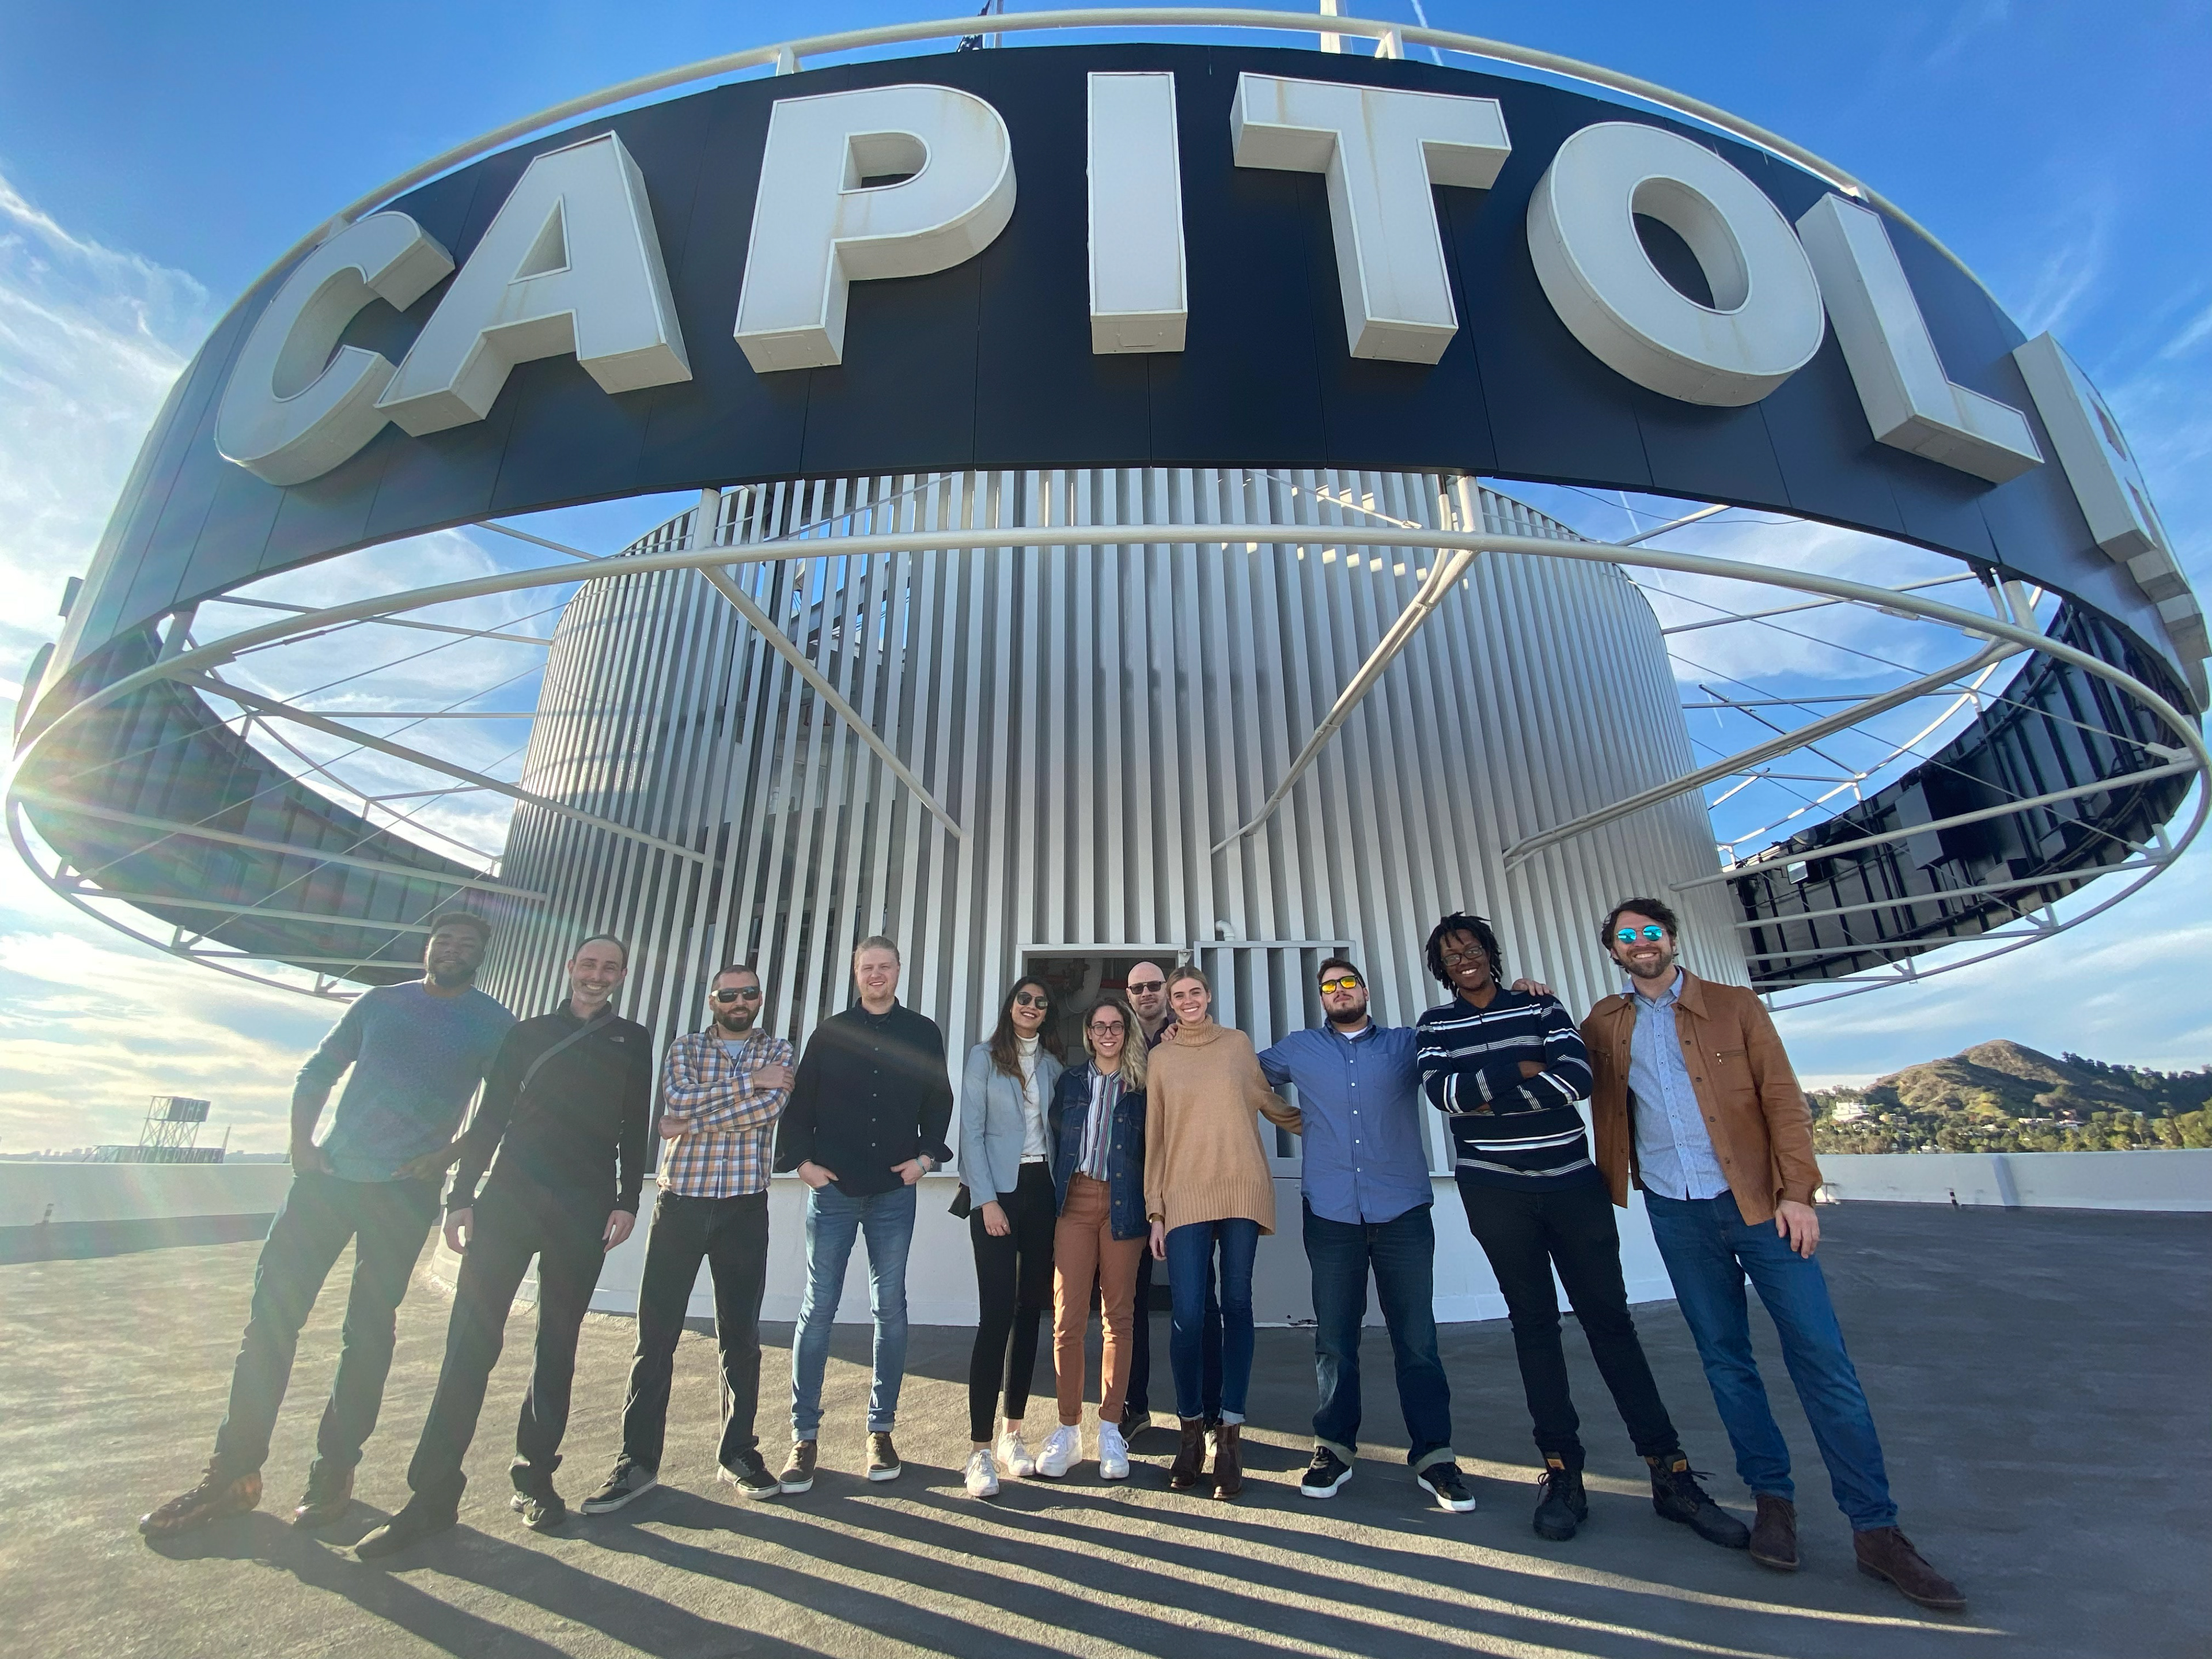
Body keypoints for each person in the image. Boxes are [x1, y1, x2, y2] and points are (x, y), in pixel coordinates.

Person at [1585, 898, 1965, 1612]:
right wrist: (1531, 995)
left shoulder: (1736, 1007)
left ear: (1672, 938)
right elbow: (1560, 1061)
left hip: (1761, 1206)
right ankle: (1773, 1503)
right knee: (1727, 1363)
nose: (1641, 943)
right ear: (1613, 950)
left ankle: (1876, 1529)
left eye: (1651, 932)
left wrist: (1799, 1192)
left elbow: (1784, 1101)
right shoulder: (1606, 1022)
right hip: (1677, 1208)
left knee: (1822, 1360)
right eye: (1626, 936)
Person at [140, 913, 513, 1538]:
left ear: (481, 957)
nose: (453, 951)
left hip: (404, 1194)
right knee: (270, 1323)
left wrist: (446, 1157)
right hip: (326, 1184)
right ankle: (232, 1474)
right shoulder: (379, 1004)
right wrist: (300, 1146)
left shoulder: (493, 1023)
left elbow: (503, 1109)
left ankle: (334, 1470)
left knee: (367, 1335)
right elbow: (317, 1071)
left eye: (467, 945)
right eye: (444, 941)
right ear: (427, 947)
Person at [1415, 911, 1746, 1551]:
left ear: (1491, 951)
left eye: (1474, 947)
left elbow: (1576, 1079)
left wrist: (1497, 1089)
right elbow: (1445, 1096)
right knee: (1533, 1325)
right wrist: (1523, 1069)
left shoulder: (1541, 1007)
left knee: (1610, 1321)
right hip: (1495, 1190)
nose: (1465, 959)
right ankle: (1564, 1473)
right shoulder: (1435, 1026)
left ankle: (1669, 1472)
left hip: (1572, 1183)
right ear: (1442, 968)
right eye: (1452, 953)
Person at [356, 933, 650, 1554]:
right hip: (509, 1199)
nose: (598, 974)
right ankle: (431, 1495)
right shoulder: (526, 1035)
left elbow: (634, 1123)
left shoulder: (633, 1040)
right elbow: (490, 1116)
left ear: (621, 977)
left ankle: (535, 1479)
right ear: (572, 967)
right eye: (589, 963)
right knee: (469, 1341)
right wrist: (462, 1195)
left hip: (584, 1205)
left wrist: (627, 1200)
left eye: (610, 968)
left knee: (557, 1343)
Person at [1257, 957, 1476, 1513]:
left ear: (1366, 990)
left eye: (1347, 983)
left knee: (1417, 1340)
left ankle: (1435, 1455)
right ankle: (1334, 1447)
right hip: (1331, 1214)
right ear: (1321, 997)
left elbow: (1470, 1030)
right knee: (1334, 1339)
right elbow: (1234, 1071)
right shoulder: (1299, 1049)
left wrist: (1521, 993)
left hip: (1402, 1210)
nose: (1338, 991)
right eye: (1329, 986)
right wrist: (1170, 1029)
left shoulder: (1407, 1044)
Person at [582, 961, 796, 1514]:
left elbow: (768, 1110)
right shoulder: (684, 1048)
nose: (739, 1002)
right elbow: (672, 1105)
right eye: (728, 995)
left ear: (760, 997)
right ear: (712, 1000)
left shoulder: (781, 1051)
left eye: (748, 992)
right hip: (679, 1205)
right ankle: (637, 1462)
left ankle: (739, 1454)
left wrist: (695, 1117)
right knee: (655, 1336)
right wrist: (746, 1084)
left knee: (741, 1336)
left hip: (744, 1209)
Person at [774, 934, 954, 1490]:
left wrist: (926, 1158)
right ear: (856, 974)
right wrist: (800, 1162)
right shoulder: (831, 1031)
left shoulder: (922, 1032)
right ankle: (804, 1438)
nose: (876, 975)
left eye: (885, 966)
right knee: (819, 1306)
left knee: (890, 1308)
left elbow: (939, 1100)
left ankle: (881, 1429)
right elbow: (800, 1102)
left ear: (900, 971)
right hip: (832, 1190)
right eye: (867, 967)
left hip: (893, 1193)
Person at [1144, 965, 1301, 1499]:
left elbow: (1268, 1102)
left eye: (1195, 993)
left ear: (1208, 996)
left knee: (1237, 1303)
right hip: (1185, 1194)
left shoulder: (1237, 1045)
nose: (1187, 1001)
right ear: (1169, 1003)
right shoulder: (1160, 1058)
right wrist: (1155, 1209)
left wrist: (1326, 1122)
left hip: (1240, 1187)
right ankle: (1190, 1432)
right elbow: (1156, 1137)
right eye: (1177, 995)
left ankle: (1230, 1436)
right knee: (1188, 1313)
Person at [1033, 994, 1150, 1486]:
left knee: (1118, 1320)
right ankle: (1067, 1428)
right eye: (1099, 1027)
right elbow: (1053, 1140)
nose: (1107, 1034)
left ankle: (1109, 1428)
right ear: (1088, 1034)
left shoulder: (1143, 1086)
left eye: (1115, 1026)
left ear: (1127, 1032)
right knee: (1067, 1320)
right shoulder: (1070, 1081)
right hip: (1075, 1203)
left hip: (1125, 1203)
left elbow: (1156, 1149)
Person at [959, 976, 1066, 1497]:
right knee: (996, 1314)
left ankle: (1012, 1435)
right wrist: (986, 1200)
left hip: (1041, 1190)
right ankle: (979, 1451)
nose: (1032, 1006)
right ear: (1011, 1006)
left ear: (1048, 1013)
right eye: (1025, 999)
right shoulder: (984, 1057)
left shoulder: (1052, 1065)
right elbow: (971, 1132)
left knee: (1029, 1314)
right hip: (998, 1192)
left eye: (1041, 1002)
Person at [1119, 960, 1220, 1438]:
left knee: (1201, 1300)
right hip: (1127, 1186)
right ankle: (1133, 1406)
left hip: (1185, 1185)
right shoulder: (1116, 1041)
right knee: (1128, 1301)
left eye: (1155, 986)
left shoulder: (1189, 1038)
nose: (1147, 994)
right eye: (1137, 988)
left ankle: (1210, 1409)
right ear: (1129, 994)